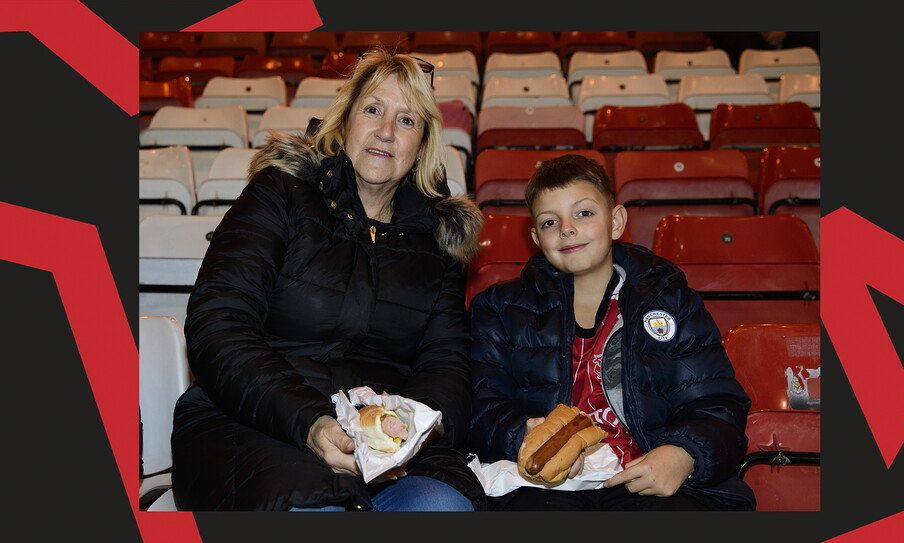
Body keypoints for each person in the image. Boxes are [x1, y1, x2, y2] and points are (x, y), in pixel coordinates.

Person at [170, 48, 487, 511]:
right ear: (346, 120)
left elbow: (447, 364)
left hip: (386, 453)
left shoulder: (436, 244)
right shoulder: (279, 194)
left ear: (423, 143)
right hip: (255, 425)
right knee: (314, 508)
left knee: (444, 508)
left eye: (406, 121)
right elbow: (218, 325)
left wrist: (406, 431)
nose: (384, 132)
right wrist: (312, 423)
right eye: (373, 110)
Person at [468, 154, 756, 511]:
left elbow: (716, 401)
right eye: (549, 221)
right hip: (544, 487)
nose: (567, 228)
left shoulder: (670, 301)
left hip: (643, 478)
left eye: (584, 213)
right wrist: (524, 435)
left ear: (616, 221)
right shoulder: (499, 307)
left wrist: (684, 454)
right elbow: (482, 406)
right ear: (536, 237)